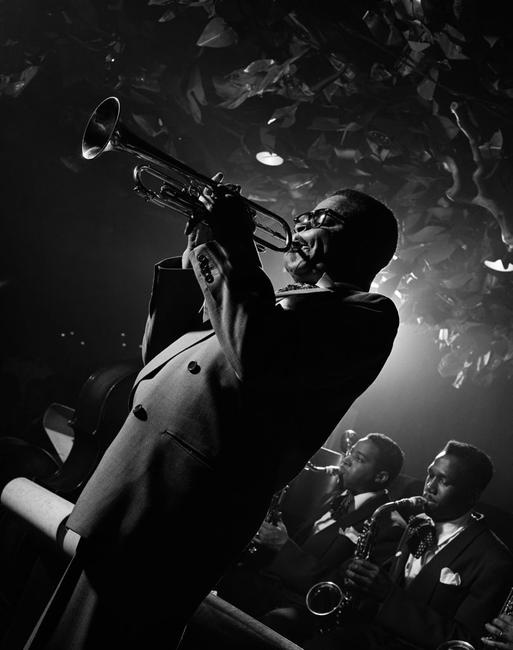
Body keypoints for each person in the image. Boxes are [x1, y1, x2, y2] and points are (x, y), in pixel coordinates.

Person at [25, 178, 399, 649]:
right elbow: (161, 354)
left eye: (322, 220)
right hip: (135, 487)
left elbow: (257, 355)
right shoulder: (271, 299)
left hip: (179, 514)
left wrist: (233, 243)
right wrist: (200, 250)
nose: (300, 226)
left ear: (365, 245)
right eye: (303, 217)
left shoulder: (367, 312)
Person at [303, 440, 513, 650]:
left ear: (472, 495)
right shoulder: (417, 523)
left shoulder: (495, 561)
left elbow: (463, 641)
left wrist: (388, 595)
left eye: (443, 481)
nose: (429, 486)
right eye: (431, 474)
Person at [214, 433, 406, 642]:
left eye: (359, 459)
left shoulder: (390, 526)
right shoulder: (337, 497)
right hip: (276, 589)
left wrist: (284, 546)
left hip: (309, 612)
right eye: (351, 452)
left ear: (381, 477)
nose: (347, 459)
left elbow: (340, 590)